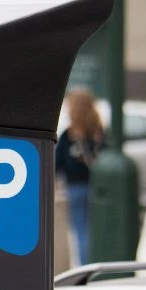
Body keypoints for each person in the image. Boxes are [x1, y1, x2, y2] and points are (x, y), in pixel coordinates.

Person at [56, 88, 104, 267]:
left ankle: (85, 268)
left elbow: (57, 164)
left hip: (75, 188)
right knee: (95, 230)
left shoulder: (68, 135)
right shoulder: (99, 133)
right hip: (98, 189)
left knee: (81, 231)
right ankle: (97, 264)